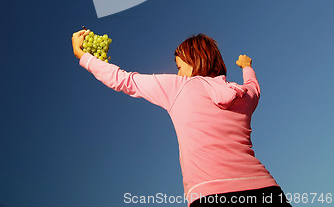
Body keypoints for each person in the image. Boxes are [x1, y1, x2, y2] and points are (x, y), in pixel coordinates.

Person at [72, 29, 291, 206]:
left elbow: (123, 80)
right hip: (266, 192)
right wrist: (247, 66)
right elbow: (254, 87)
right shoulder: (243, 96)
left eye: (179, 67)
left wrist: (84, 56)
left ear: (194, 61)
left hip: (210, 195)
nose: (177, 74)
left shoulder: (179, 87)